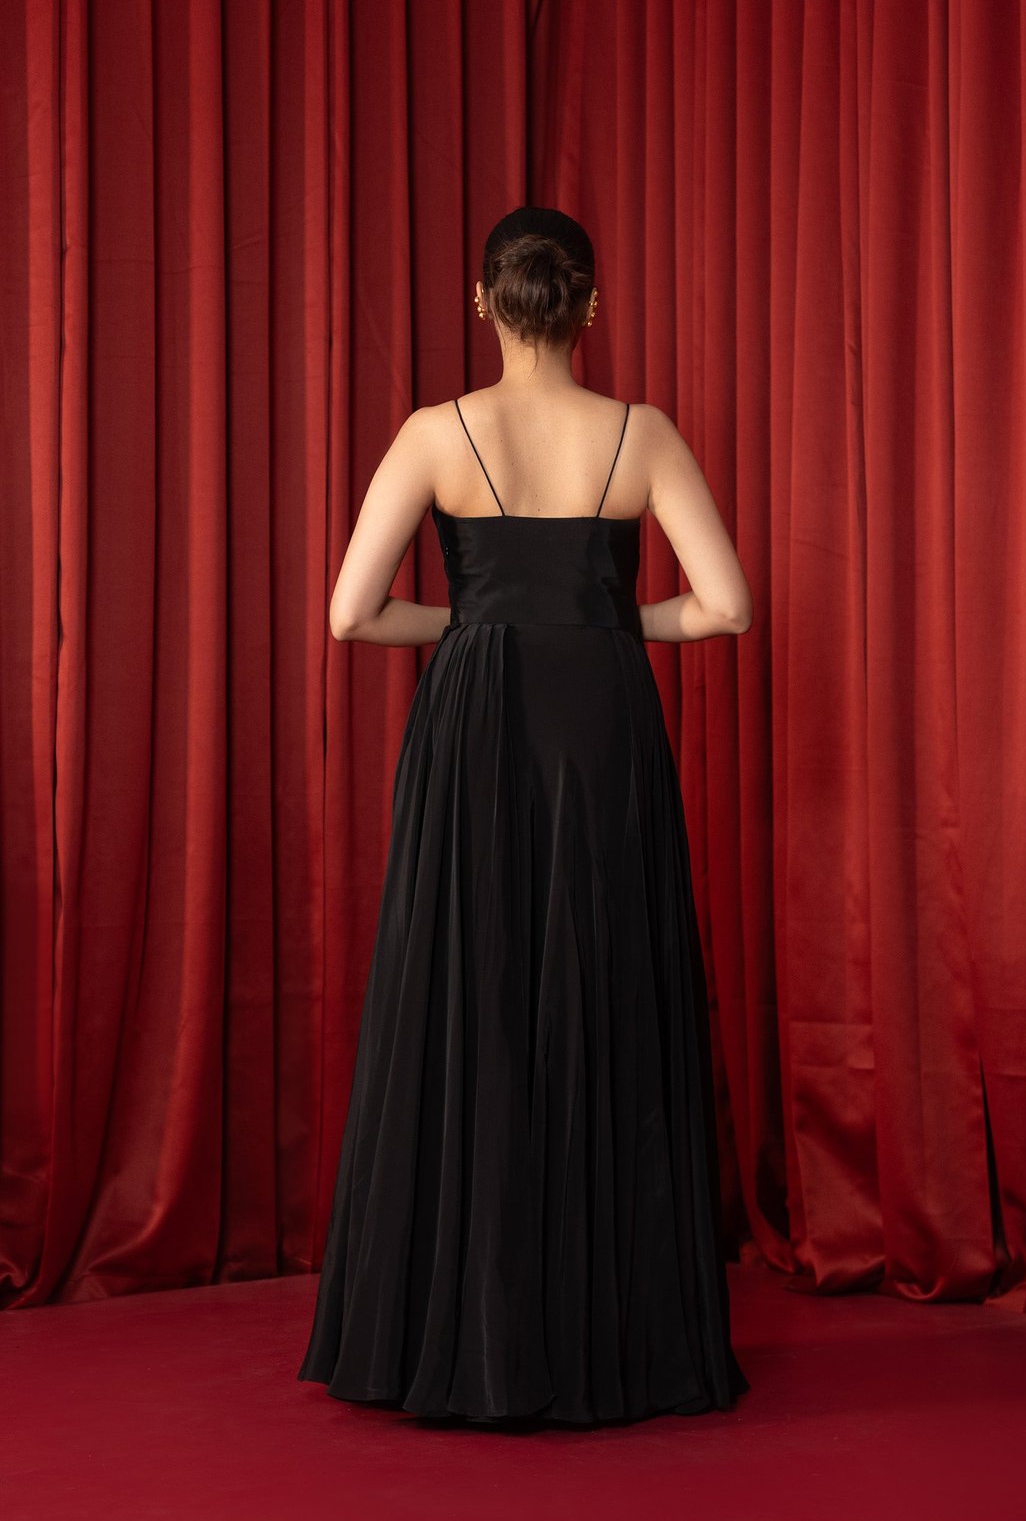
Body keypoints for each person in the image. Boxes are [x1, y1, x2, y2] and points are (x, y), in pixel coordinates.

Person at [296, 205, 753, 1427]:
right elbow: (726, 607)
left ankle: (467, 1330)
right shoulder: (641, 433)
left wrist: (480, 620)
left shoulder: (432, 433)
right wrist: (597, 621)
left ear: (482, 301)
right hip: (603, 721)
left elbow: (351, 614)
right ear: (590, 305)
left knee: (474, 993)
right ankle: (616, 1332)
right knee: (606, 985)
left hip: (478, 727)